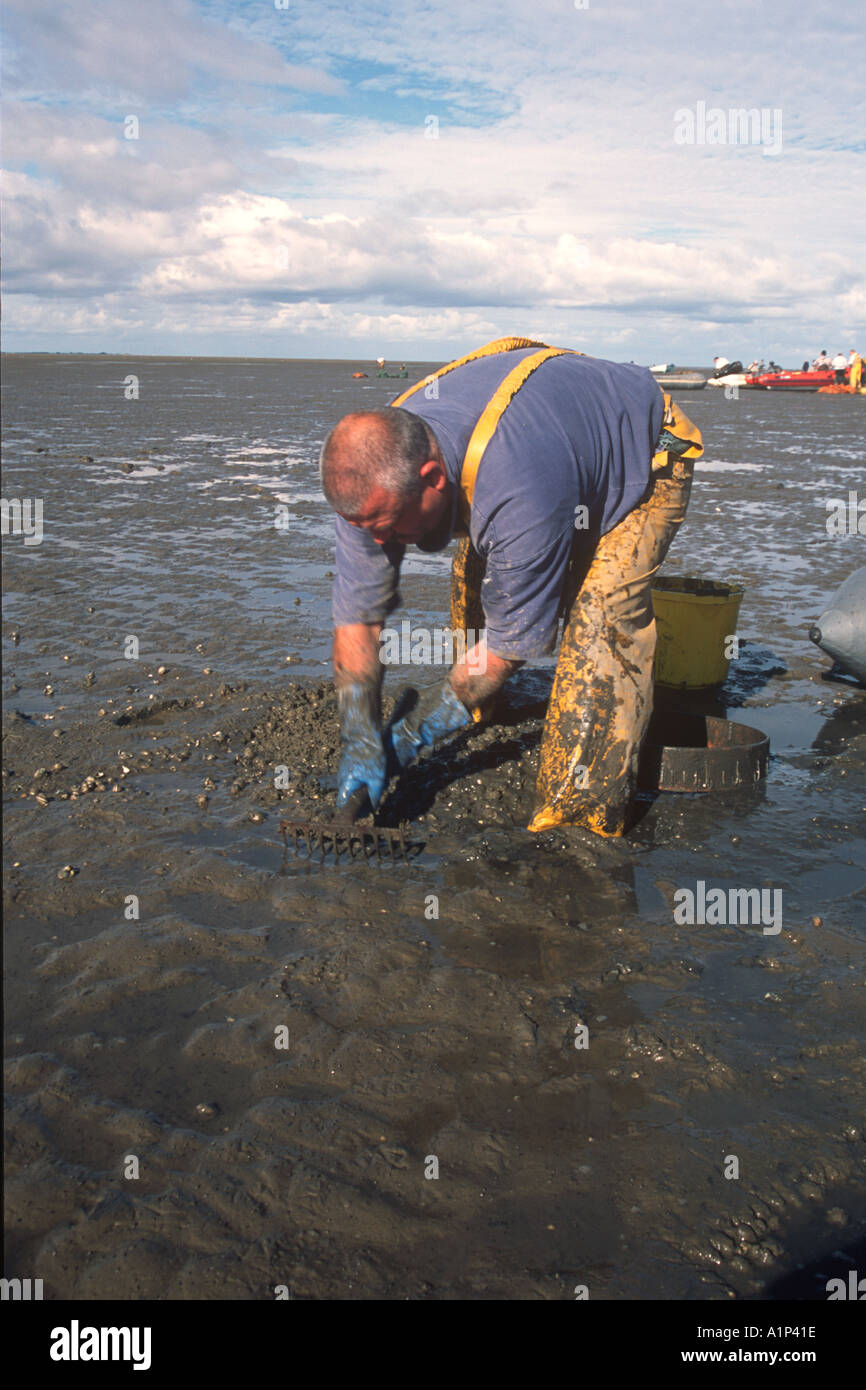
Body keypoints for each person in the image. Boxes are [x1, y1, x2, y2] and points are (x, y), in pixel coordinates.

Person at [319, 337, 704, 838]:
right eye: (365, 527)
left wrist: (414, 733)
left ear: (433, 478)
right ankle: (477, 705)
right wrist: (359, 736)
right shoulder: (372, 480)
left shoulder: (518, 482)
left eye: (389, 525)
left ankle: (580, 813)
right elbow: (357, 624)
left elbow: (512, 641)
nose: (378, 542)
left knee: (602, 619)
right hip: (543, 445)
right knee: (476, 580)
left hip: (643, 451)